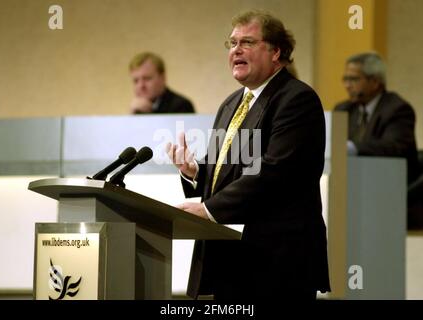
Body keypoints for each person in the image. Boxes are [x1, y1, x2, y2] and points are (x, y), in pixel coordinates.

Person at [166, 10, 330, 300]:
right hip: (229, 260)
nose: (236, 50)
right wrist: (196, 173)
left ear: (276, 51)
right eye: (231, 43)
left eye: (247, 42)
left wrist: (208, 210)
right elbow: (229, 172)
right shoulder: (231, 103)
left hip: (277, 260)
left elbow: (275, 172)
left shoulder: (296, 99)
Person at [335, 52, 419, 184]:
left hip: (391, 185)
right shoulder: (343, 109)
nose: (347, 85)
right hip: (352, 182)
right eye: (345, 79)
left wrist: (353, 147)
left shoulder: (397, 109)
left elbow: (392, 147)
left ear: (374, 82)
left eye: (354, 79)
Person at [128, 52, 195, 114]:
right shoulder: (136, 107)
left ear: (163, 78)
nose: (141, 86)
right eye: (136, 81)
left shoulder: (182, 105)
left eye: (147, 78)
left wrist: (149, 114)